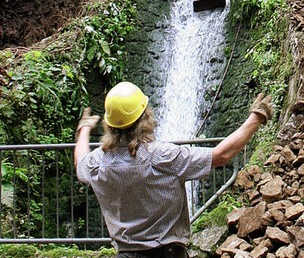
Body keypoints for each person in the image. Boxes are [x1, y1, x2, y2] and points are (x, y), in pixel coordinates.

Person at [74, 81, 273, 258]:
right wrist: (256, 118)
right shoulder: (163, 156)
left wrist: (84, 129)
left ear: (109, 125)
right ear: (145, 117)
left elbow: (80, 161)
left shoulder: (98, 162)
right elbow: (220, 155)